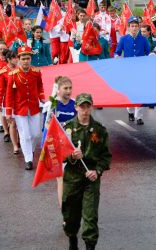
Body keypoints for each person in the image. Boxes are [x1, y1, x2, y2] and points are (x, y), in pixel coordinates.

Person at [62, 93, 112, 250]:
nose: (85, 110)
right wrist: (72, 156)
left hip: (91, 179)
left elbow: (106, 156)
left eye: (87, 106)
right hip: (72, 179)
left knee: (90, 218)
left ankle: (90, 246)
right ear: (76, 107)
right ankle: (72, 239)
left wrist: (97, 171)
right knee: (70, 216)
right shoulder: (67, 129)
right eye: (81, 107)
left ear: (92, 106)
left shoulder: (99, 130)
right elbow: (60, 155)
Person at [4, 46, 45, 170]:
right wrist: (8, 112)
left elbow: (40, 88)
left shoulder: (36, 72)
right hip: (19, 109)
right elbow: (9, 94)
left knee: (36, 134)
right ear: (19, 59)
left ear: (31, 59)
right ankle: (28, 159)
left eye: (28, 58)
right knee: (25, 135)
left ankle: (30, 150)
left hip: (34, 107)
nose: (26, 61)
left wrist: (43, 99)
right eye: (23, 58)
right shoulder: (13, 74)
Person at [41, 76, 77, 206]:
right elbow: (46, 128)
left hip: (71, 146)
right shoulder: (52, 105)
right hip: (57, 146)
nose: (68, 91)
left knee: (72, 179)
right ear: (58, 90)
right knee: (60, 178)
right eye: (65, 88)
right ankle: (64, 210)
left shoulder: (75, 105)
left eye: (70, 88)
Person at [115, 16, 150, 125]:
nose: (134, 28)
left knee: (140, 92)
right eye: (132, 26)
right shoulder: (124, 39)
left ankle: (139, 116)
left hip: (140, 69)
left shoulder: (143, 39)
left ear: (139, 27)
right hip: (128, 69)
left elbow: (148, 53)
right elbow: (117, 52)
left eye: (136, 26)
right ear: (129, 27)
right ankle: (130, 111)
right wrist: (116, 57)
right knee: (130, 92)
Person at [3, 50, 21, 153]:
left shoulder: (21, 69)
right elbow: (1, 89)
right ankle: (15, 145)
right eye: (14, 57)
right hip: (9, 100)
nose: (17, 59)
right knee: (13, 123)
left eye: (17, 57)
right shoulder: (4, 71)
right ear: (9, 59)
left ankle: (19, 140)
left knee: (20, 124)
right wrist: (0, 102)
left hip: (20, 100)